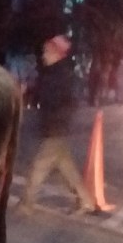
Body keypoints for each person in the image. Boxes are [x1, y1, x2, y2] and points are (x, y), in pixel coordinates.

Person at [18, 34, 99, 215]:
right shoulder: (54, 71)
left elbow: (56, 98)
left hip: (55, 126)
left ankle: (26, 204)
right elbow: (44, 91)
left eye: (47, 52)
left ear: (56, 53)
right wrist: (29, 89)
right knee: (67, 167)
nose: (43, 55)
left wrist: (33, 92)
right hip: (56, 127)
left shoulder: (61, 73)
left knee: (38, 166)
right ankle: (87, 201)